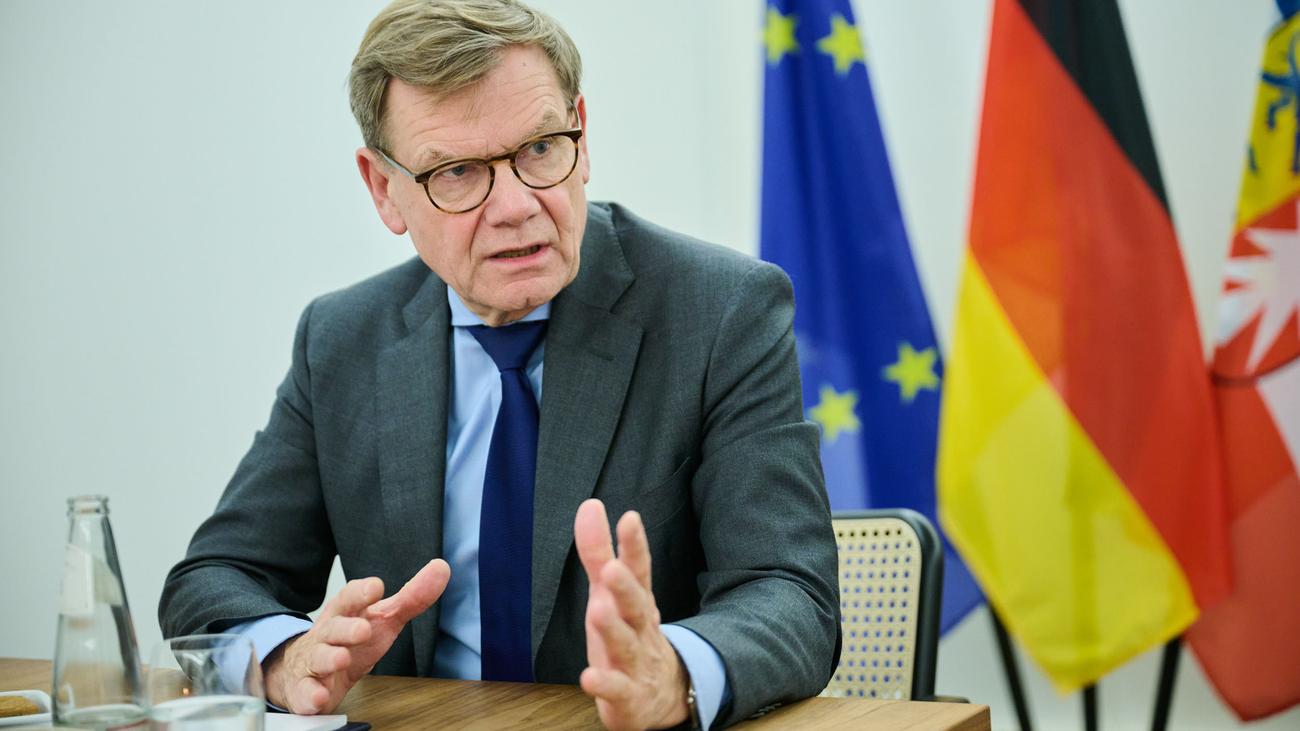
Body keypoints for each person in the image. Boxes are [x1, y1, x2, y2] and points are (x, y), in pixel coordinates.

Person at [158, 1, 839, 728]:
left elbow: (791, 593)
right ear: (384, 188)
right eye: (456, 171)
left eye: (541, 148)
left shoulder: (721, 311)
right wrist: (283, 656)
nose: (516, 205)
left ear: (582, 132)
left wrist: (674, 673)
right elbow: (216, 576)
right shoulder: (341, 341)